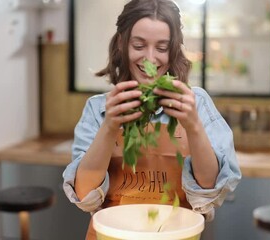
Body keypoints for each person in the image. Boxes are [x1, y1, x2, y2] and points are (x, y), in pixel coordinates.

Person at [62, 0, 241, 239]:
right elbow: (84, 195)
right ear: (121, 44)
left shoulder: (196, 103)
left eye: (162, 47)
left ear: (174, 49)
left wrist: (193, 126)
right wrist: (109, 127)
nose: (150, 58)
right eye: (139, 45)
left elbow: (209, 188)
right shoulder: (98, 109)